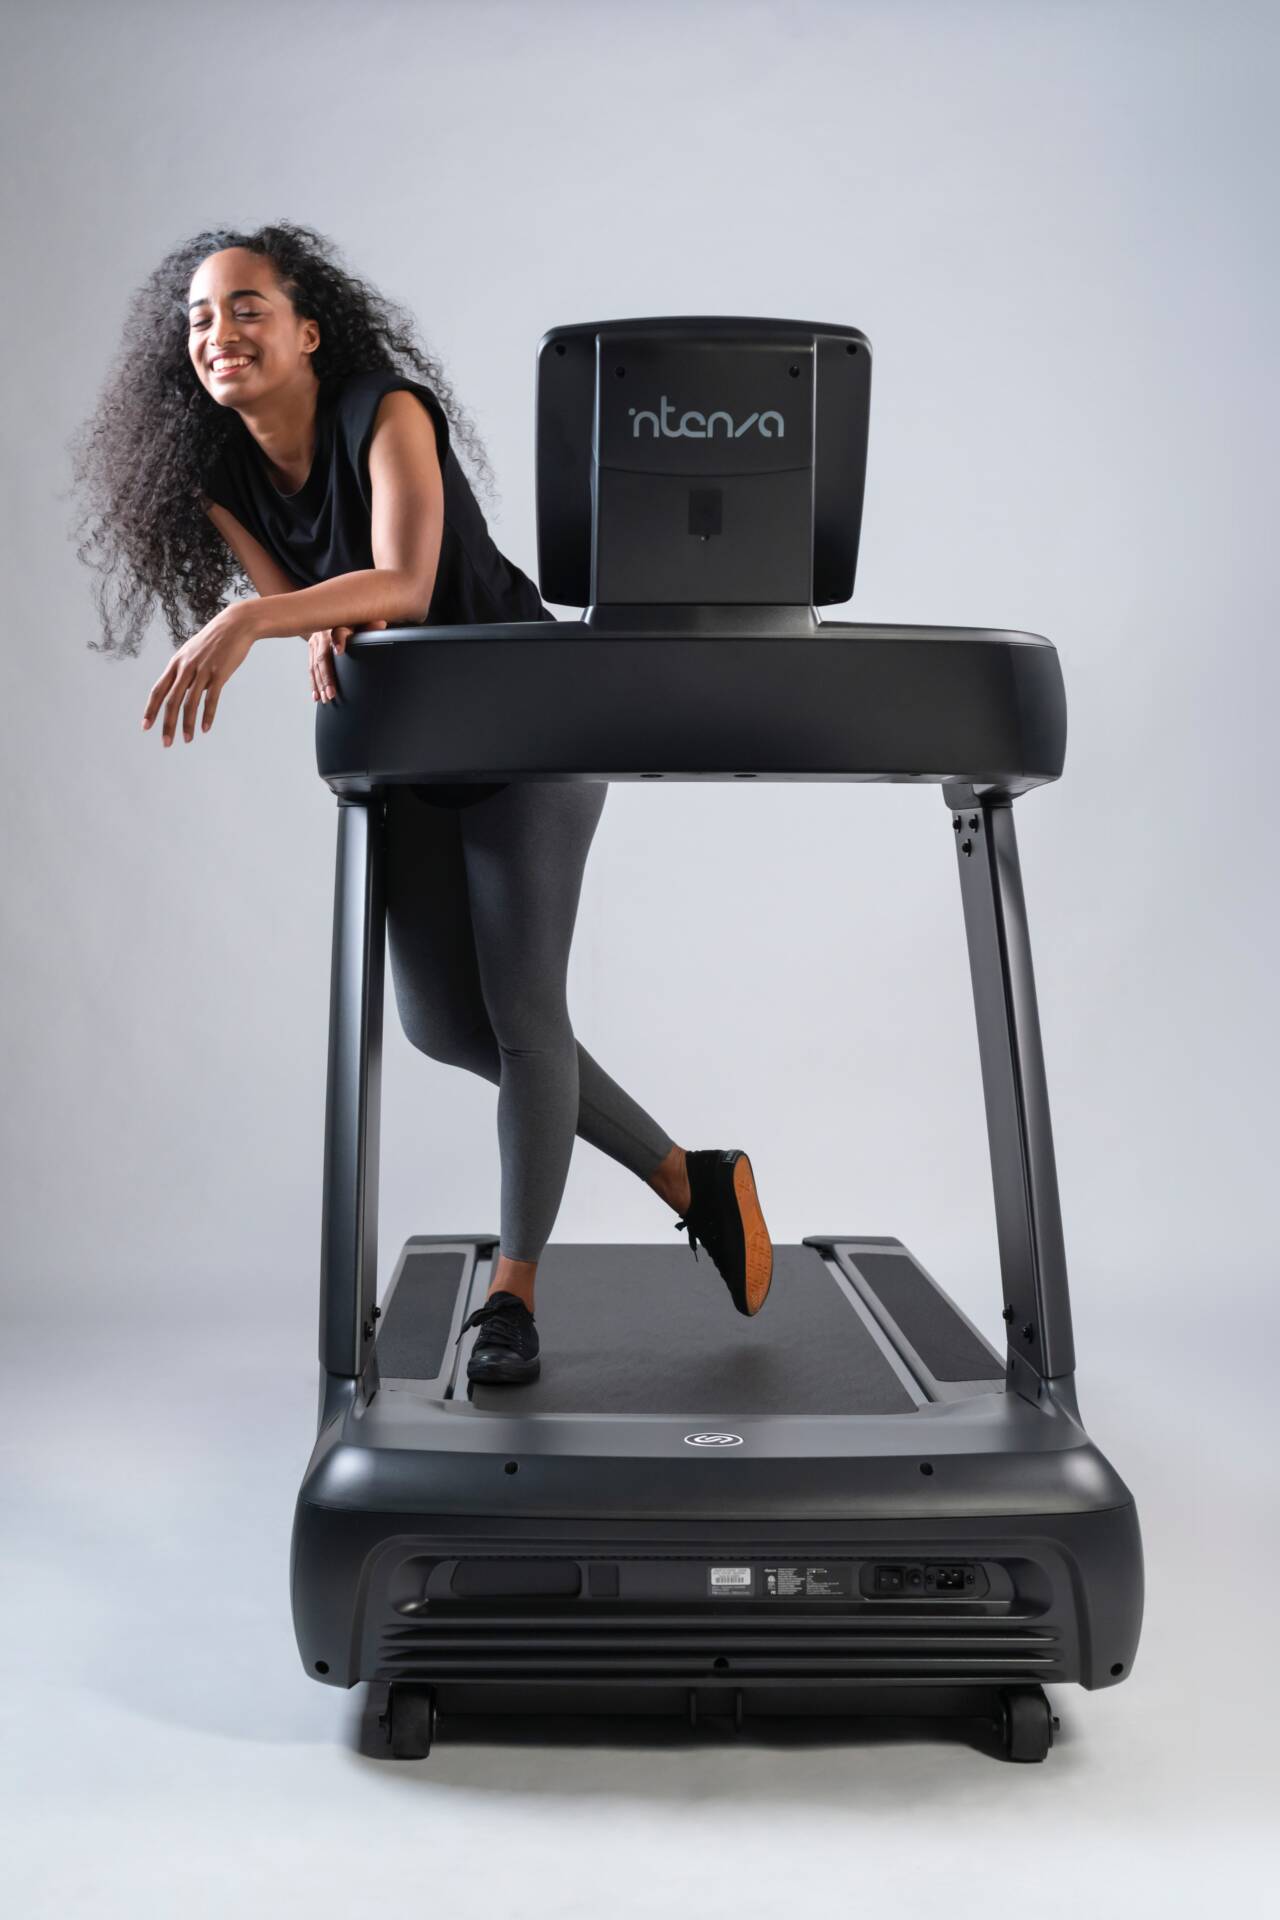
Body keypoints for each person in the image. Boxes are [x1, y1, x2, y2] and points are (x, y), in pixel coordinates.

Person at [70, 219, 774, 1384]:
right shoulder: (217, 475)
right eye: (199, 317)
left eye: (246, 307)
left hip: (526, 717)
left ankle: (513, 1298)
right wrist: (284, 615)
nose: (218, 332)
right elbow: (314, 609)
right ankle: (688, 1178)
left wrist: (250, 620)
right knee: (444, 1024)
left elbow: (391, 585)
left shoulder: (383, 410)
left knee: (521, 1014)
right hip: (413, 742)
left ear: (307, 329)